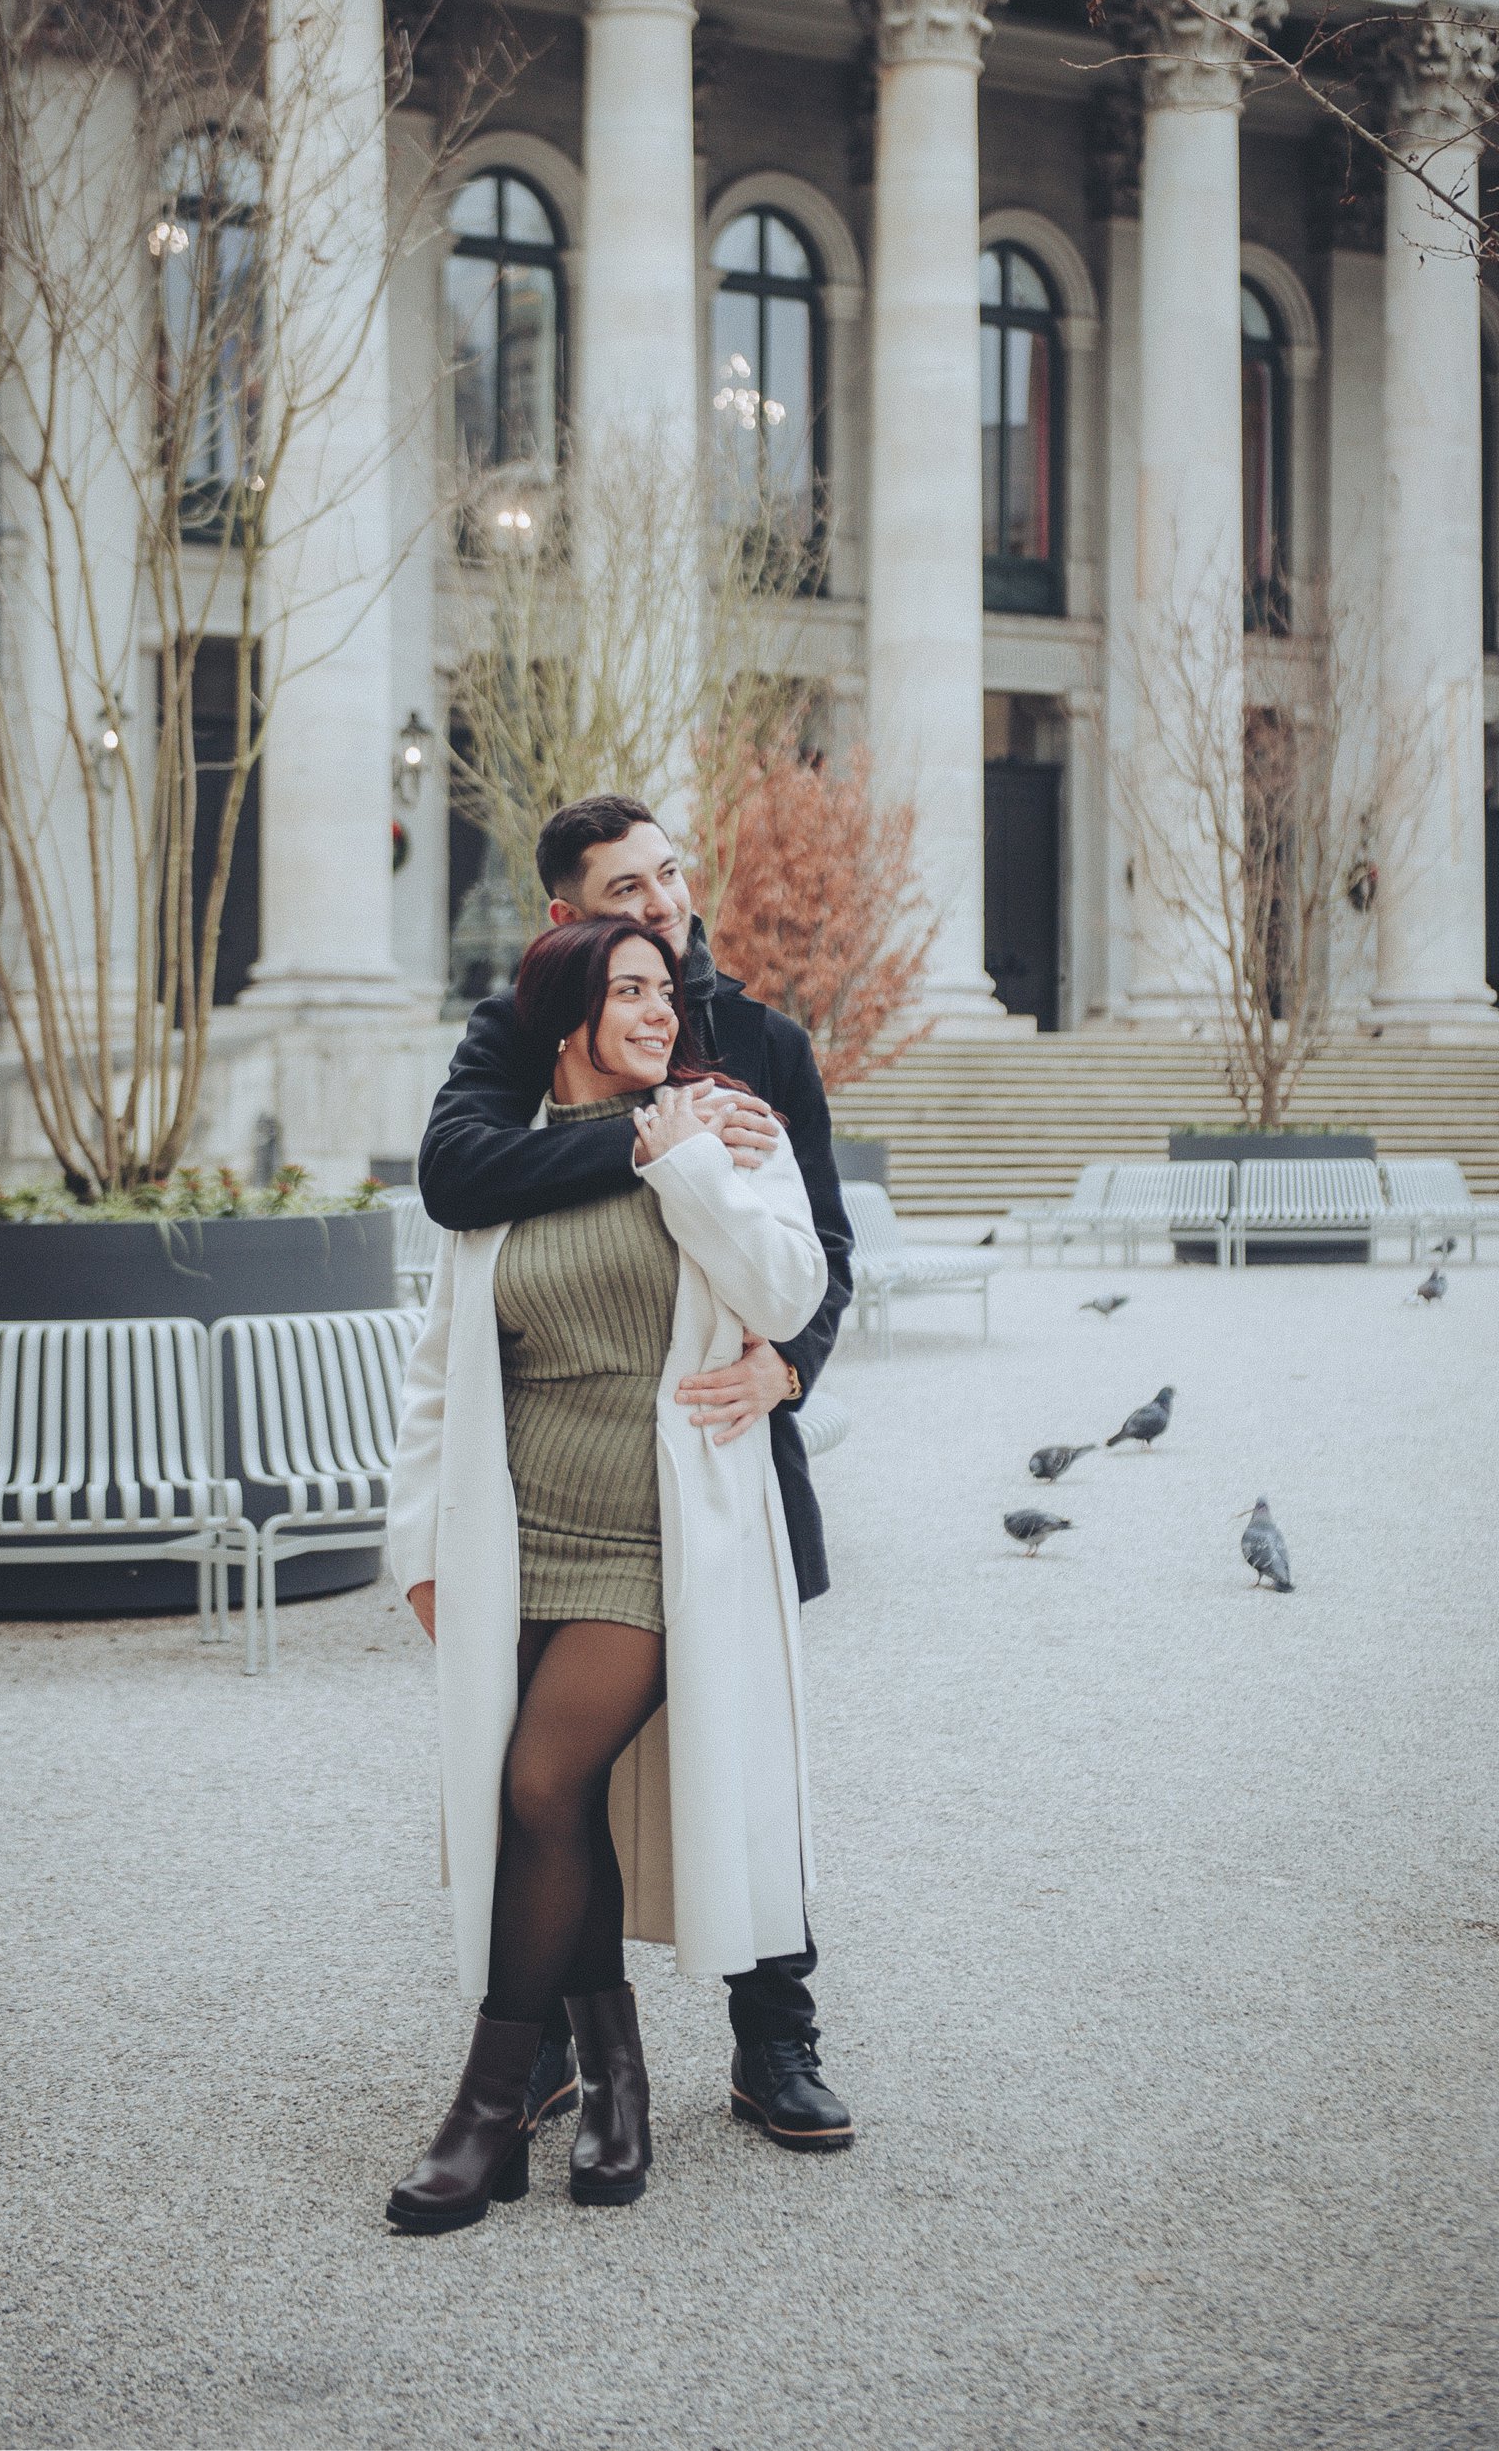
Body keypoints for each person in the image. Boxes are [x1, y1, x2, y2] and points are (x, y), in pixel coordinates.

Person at [417, 794, 856, 2149]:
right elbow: (457, 1178)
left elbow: (818, 1260)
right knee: (555, 1780)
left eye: (668, 875)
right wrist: (645, 1131)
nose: (661, 903)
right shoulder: (521, 1030)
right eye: (626, 891)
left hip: (702, 1476)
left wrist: (789, 1370)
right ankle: (563, 2055)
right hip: (537, 1494)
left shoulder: (766, 1048)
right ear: (567, 923)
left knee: (738, 1772)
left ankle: (773, 2037)